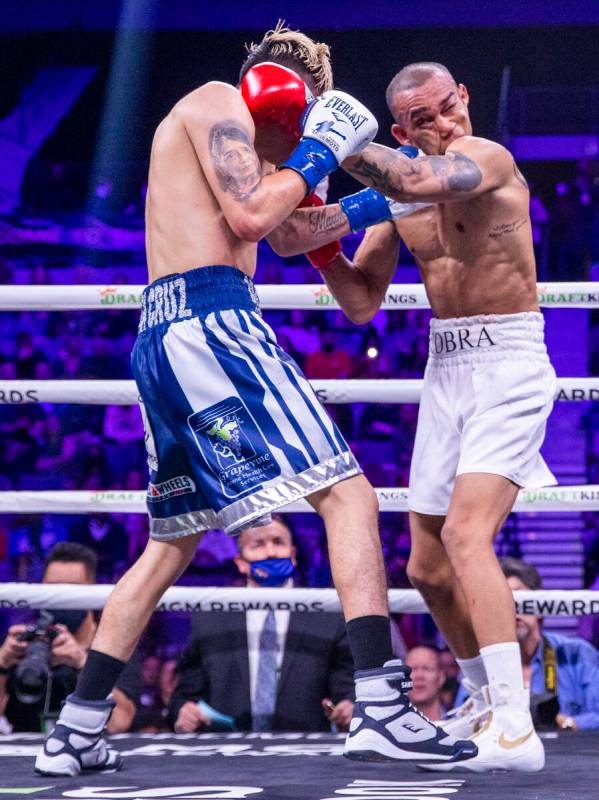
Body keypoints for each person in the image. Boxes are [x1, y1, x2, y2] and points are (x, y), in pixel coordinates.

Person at [36, 29, 474, 776]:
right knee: (349, 498)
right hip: (212, 321)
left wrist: (388, 198)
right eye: (298, 119)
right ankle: (382, 704)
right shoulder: (214, 103)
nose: (295, 138)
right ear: (279, 89)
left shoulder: (258, 152)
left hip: (168, 336)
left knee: (172, 541)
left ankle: (76, 727)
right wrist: (316, 150)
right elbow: (248, 220)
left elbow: (291, 231)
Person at [283, 61, 556, 772]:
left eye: (445, 107)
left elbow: (412, 181)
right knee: (427, 567)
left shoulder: (484, 160)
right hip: (447, 366)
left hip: (510, 362)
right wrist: (321, 249)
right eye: (422, 119)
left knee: (468, 535)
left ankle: (516, 727)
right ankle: (480, 704)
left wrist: (330, 138)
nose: (440, 123)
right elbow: (359, 301)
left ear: (461, 97)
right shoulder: (396, 185)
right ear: (401, 128)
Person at [171, 515, 354, 733]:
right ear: (240, 562)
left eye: (278, 542)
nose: (270, 552)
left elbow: (345, 687)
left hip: (305, 752)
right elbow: (185, 694)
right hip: (226, 752)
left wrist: (348, 707)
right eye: (258, 544)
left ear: (293, 555)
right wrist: (184, 712)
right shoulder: (211, 618)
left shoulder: (327, 614)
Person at [0, 543, 138, 734]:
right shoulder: (23, 639)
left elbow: (121, 722)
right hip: (22, 754)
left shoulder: (115, 644)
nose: (61, 598)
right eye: (52, 589)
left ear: (92, 589)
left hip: (88, 754)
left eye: (71, 589)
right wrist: (2, 664)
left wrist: (82, 663)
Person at [499, 557, 599, 731]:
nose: (512, 608)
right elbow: (459, 717)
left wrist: (570, 723)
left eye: (518, 597)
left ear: (538, 604)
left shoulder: (577, 653)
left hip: (571, 754)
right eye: (503, 599)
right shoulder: (483, 661)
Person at [405, 645, 446, 721]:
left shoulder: (460, 722)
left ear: (441, 678)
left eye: (427, 669)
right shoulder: (389, 730)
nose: (419, 676)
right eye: (412, 669)